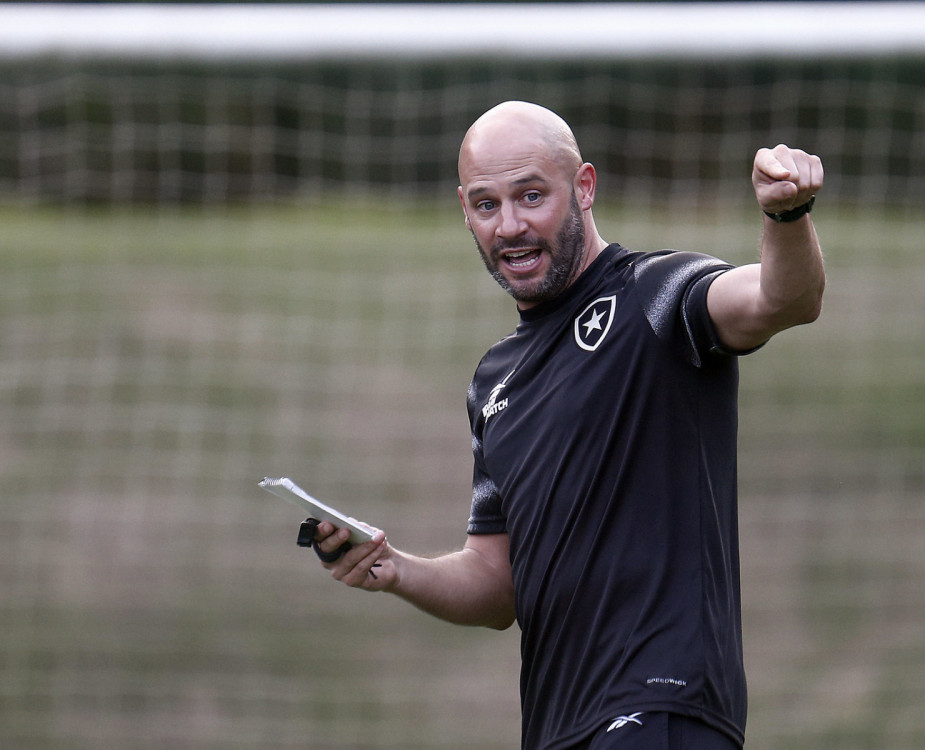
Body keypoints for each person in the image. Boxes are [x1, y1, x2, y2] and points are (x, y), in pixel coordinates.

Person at [306, 100, 825, 750]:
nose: (510, 226)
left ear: (583, 187)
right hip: (558, 730)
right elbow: (498, 587)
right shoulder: (495, 380)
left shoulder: (654, 293)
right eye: (487, 204)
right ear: (464, 209)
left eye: (530, 195)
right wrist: (394, 567)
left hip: (659, 708)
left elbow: (783, 299)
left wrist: (785, 216)